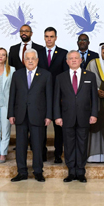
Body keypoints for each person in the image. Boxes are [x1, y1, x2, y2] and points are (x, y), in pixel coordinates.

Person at [53, 51, 97, 182]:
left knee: (82, 145)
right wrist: (57, 116)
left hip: (84, 116)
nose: (73, 60)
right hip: (67, 117)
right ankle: (71, 171)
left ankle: (81, 171)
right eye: (70, 58)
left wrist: (94, 114)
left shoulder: (90, 76)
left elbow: (94, 98)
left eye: (76, 58)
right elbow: (56, 99)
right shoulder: (60, 77)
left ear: (80, 60)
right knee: (69, 145)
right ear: (67, 61)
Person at [8, 49, 52, 182]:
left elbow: (49, 97)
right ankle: (22, 172)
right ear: (24, 61)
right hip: (20, 115)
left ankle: (38, 171)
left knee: (37, 145)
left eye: (33, 58)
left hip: (38, 115)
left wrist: (49, 115)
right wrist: (11, 114)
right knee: (20, 146)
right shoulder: (17, 74)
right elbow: (12, 96)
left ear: (37, 60)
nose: (30, 61)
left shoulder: (46, 75)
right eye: (28, 58)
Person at [37, 27, 68, 163]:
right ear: (44, 38)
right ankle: (42, 154)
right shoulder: (37, 53)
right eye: (46, 36)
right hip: (41, 95)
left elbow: (66, 76)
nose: (49, 39)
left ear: (56, 38)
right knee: (41, 127)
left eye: (51, 36)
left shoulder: (63, 53)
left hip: (58, 97)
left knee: (58, 128)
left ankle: (57, 154)